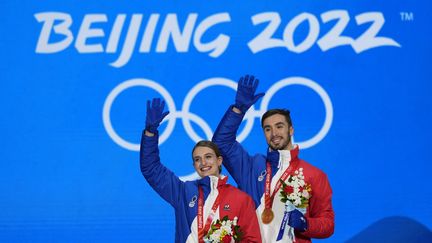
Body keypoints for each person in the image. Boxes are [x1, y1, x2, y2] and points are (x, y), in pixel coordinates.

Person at [212, 75, 335, 242]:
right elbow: (221, 143)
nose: (274, 133)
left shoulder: (314, 175)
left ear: (291, 130)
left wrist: (306, 225)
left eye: (279, 126)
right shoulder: (251, 167)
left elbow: (327, 225)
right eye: (268, 129)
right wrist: (238, 110)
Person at [140, 98, 262, 243]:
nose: (203, 162)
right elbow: (151, 168)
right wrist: (149, 134)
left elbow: (253, 240)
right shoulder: (183, 192)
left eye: (208, 157)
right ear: (194, 166)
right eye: (197, 159)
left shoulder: (242, 199)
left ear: (219, 160)